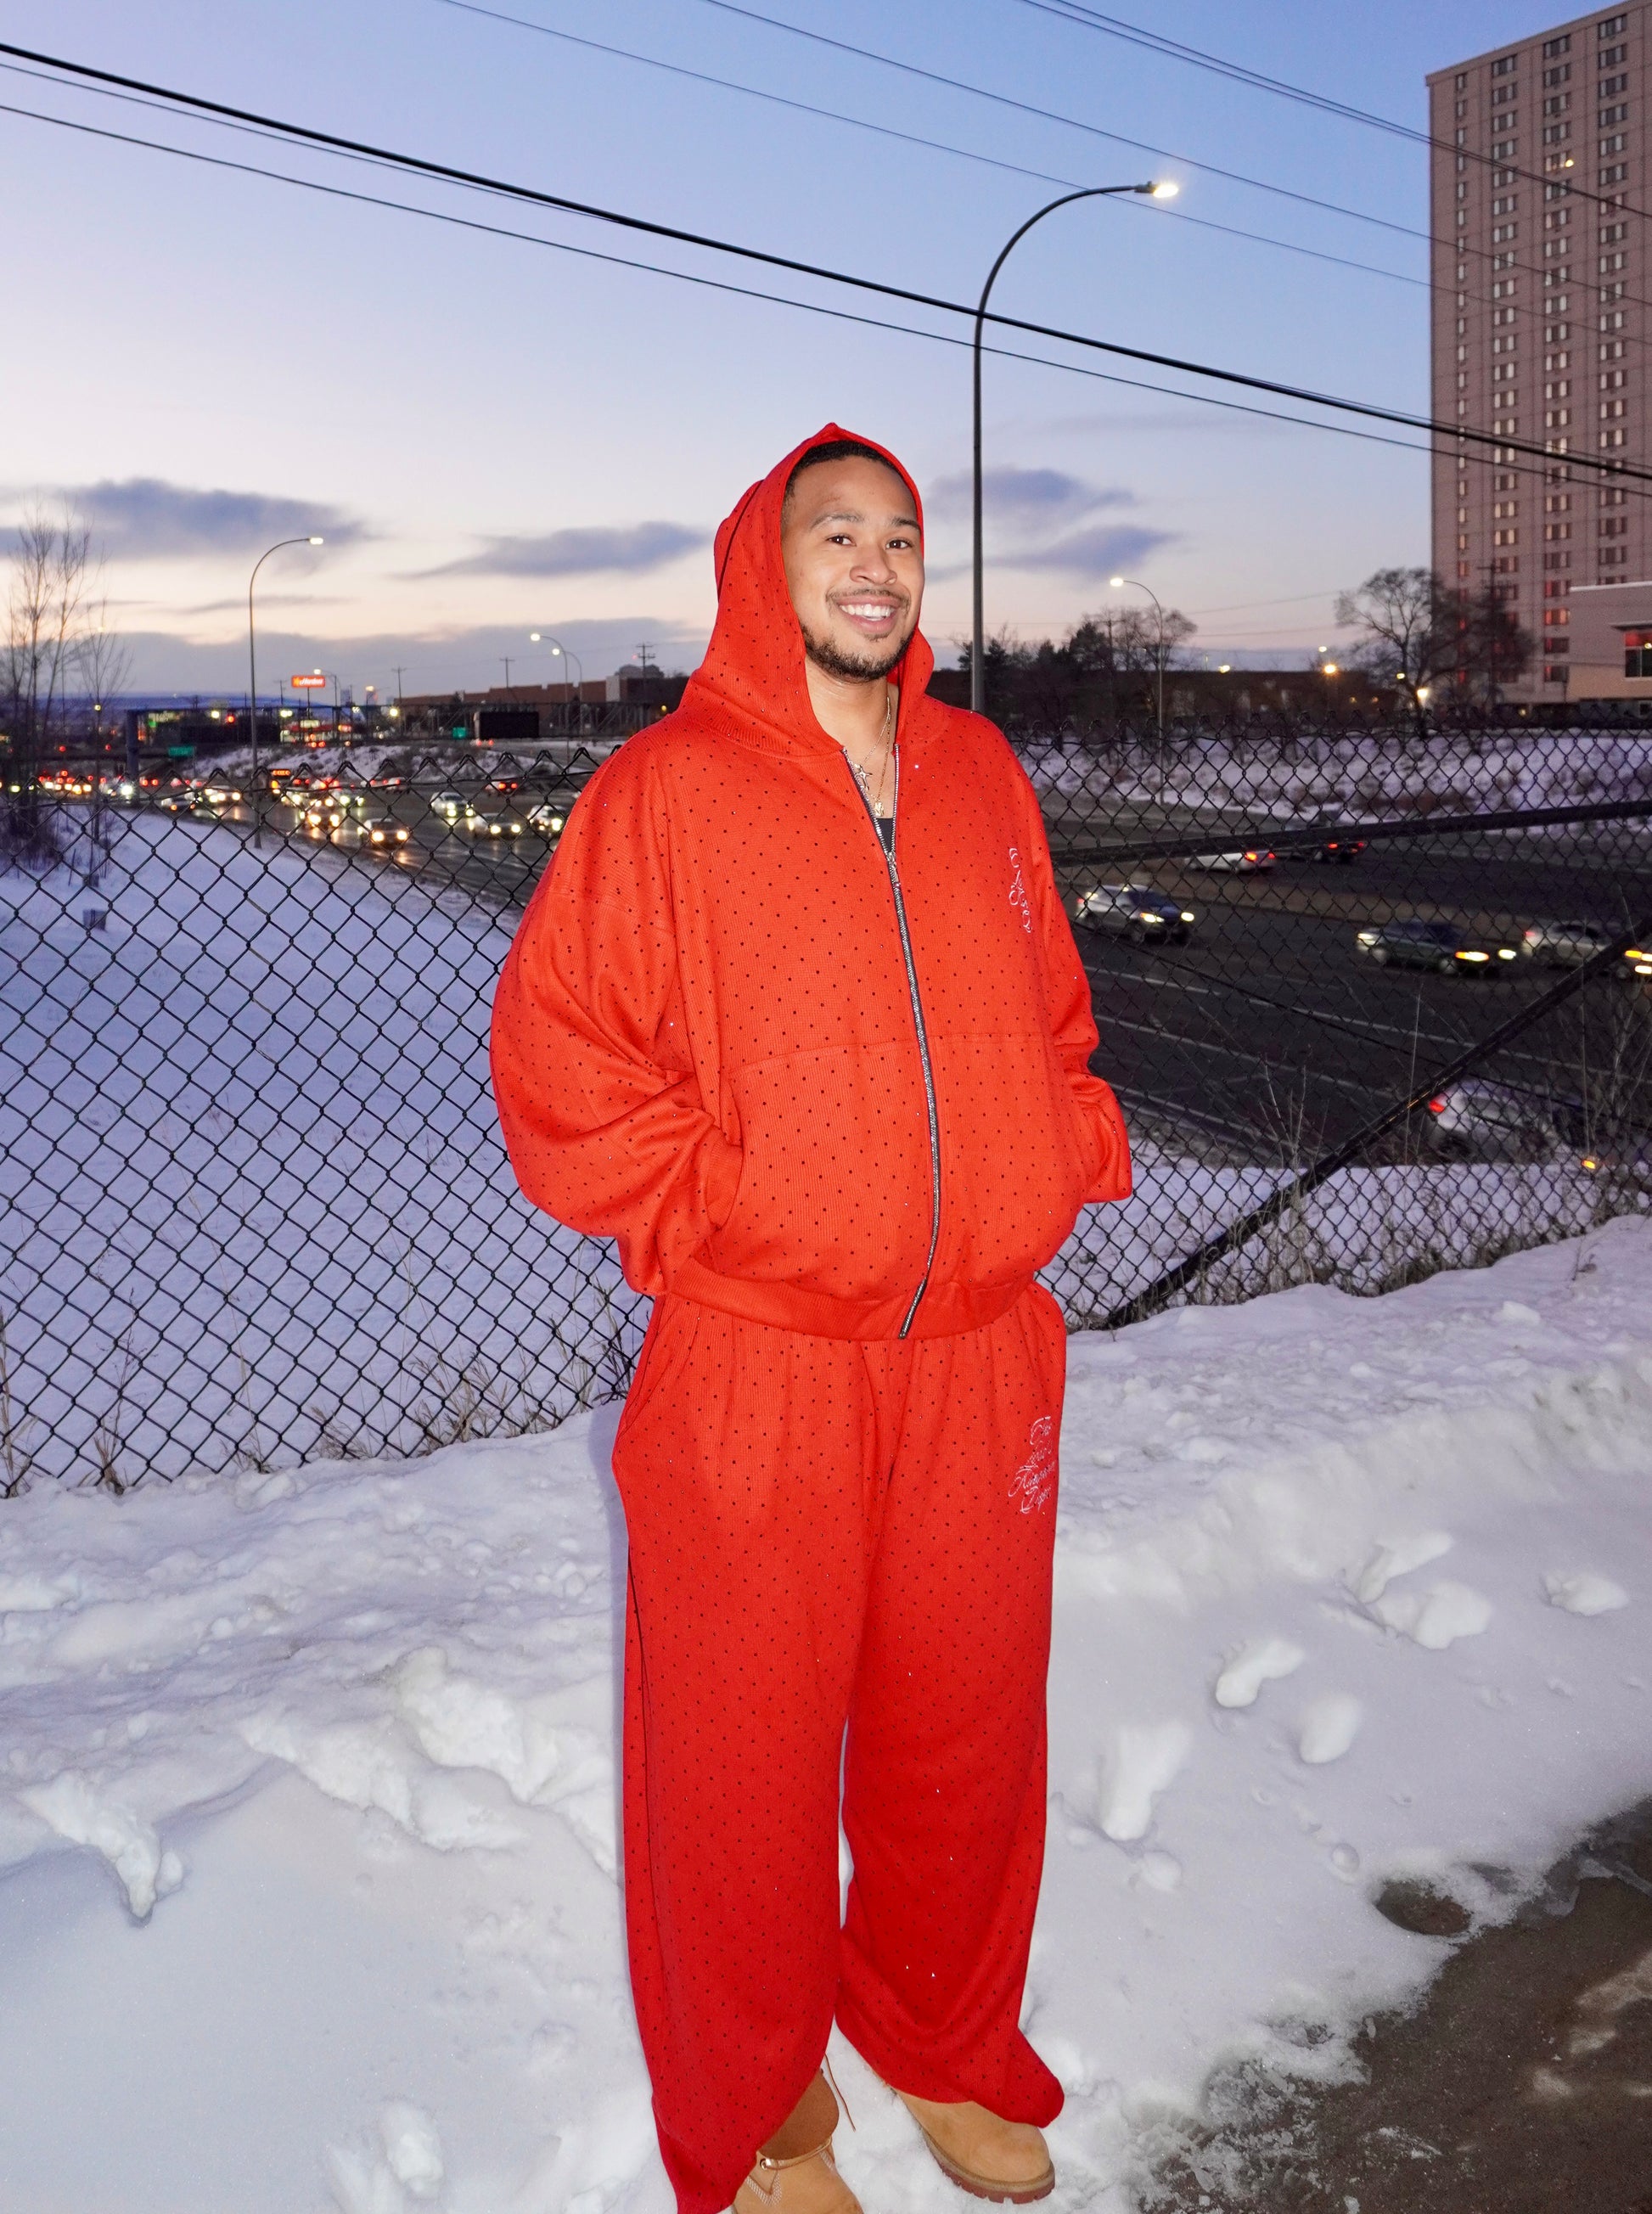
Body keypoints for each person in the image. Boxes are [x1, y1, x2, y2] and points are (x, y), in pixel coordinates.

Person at [492, 426, 1130, 2214]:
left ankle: (934, 2029)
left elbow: (1056, 1013)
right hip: (755, 1361)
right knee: (740, 1766)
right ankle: (765, 2108)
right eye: (834, 532)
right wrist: (741, 1208)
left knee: (962, 1744)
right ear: (758, 568)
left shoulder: (981, 771)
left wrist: (1056, 1143)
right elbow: (559, 1065)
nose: (874, 562)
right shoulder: (665, 792)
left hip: (981, 1354)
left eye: (900, 535)